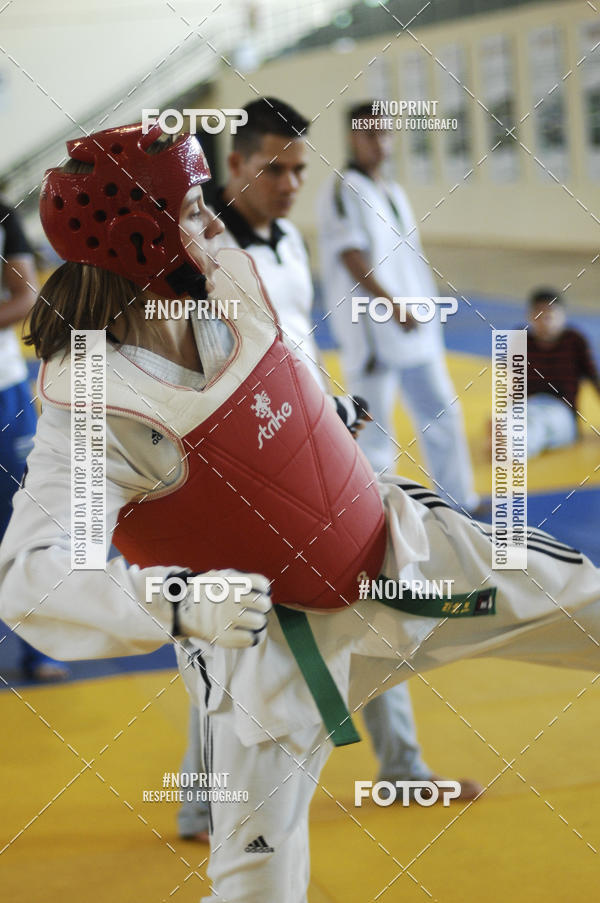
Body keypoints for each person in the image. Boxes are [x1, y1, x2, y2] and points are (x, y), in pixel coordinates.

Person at [1, 122, 600, 903]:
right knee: (257, 890)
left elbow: (278, 379)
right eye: (192, 209)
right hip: (273, 660)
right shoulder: (97, 405)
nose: (212, 220)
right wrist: (177, 600)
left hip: (402, 559)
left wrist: (325, 417)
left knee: (586, 601)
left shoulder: (226, 288)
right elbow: (34, 578)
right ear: (140, 240)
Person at [176, 97, 480, 843]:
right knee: (226, 635)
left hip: (312, 454)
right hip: (238, 475)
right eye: (274, 169)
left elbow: (293, 348)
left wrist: (332, 405)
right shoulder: (199, 253)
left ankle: (402, 767)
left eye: (299, 170)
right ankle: (200, 800)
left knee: (369, 593)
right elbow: (203, 368)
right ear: (236, 163)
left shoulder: (285, 240)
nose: (290, 184)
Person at [316, 101, 481, 515]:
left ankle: (458, 502)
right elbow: (351, 256)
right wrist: (392, 307)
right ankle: (378, 517)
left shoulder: (392, 190)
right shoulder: (343, 190)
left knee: (442, 410)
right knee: (375, 432)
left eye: (385, 133)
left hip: (415, 325)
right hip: (373, 329)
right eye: (370, 134)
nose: (380, 143)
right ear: (353, 138)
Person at [0, 199, 69, 681]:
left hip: (4, 392)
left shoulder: (3, 217)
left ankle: (39, 647)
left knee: (24, 520)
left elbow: (25, 296)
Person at [526, 287, 600, 457]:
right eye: (539, 314)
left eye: (550, 315)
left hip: (561, 410)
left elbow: (595, 380)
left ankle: (516, 444)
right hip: (530, 406)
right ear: (530, 316)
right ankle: (506, 435)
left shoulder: (574, 341)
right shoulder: (521, 340)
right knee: (520, 417)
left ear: (563, 316)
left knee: (543, 424)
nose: (545, 321)